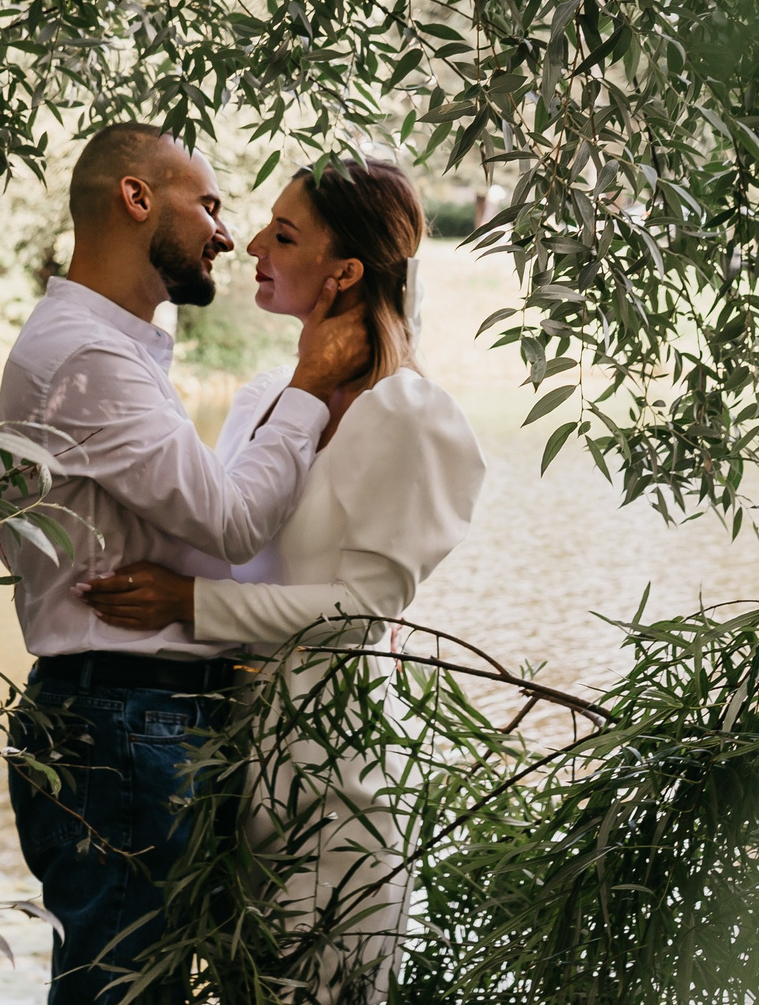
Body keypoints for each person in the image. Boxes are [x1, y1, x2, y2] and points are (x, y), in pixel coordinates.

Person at [78, 154, 485, 1005]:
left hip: (338, 773)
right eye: (264, 223)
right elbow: (222, 530)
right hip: (229, 760)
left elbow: (367, 609)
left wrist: (191, 605)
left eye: (285, 234)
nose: (253, 242)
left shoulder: (410, 415)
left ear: (345, 272)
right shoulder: (268, 395)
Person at [0, 123, 368, 1005]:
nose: (226, 235)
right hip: (123, 724)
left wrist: (195, 600)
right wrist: (310, 388)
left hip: (125, 719)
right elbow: (232, 520)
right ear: (136, 199)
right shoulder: (90, 360)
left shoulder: (103, 349)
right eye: (209, 205)